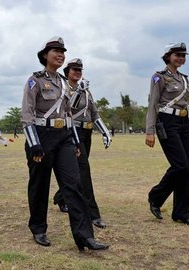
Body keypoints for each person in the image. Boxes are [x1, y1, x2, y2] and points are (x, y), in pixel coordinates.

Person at [21, 36, 108, 250]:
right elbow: (27, 114)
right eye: (55, 51)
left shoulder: (63, 82)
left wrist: (76, 142)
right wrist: (34, 144)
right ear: (44, 55)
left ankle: (84, 236)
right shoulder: (35, 80)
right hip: (41, 135)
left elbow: (69, 115)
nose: (60, 54)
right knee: (40, 185)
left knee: (74, 185)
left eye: (62, 51)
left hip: (64, 137)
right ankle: (39, 228)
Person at [145, 42, 189, 227]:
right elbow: (153, 104)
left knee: (187, 170)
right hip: (167, 123)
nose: (181, 58)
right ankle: (156, 196)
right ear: (168, 56)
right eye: (177, 55)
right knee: (180, 165)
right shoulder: (158, 77)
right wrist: (150, 131)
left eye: (183, 55)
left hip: (184, 123)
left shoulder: (184, 79)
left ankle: (181, 213)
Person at [52, 58, 112, 229]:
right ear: (67, 72)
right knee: (84, 172)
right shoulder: (64, 88)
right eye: (74, 69)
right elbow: (68, 108)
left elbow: (93, 112)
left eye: (79, 69)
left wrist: (105, 131)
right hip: (72, 132)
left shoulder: (86, 90)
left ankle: (60, 197)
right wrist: (78, 92)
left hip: (87, 132)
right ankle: (93, 214)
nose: (77, 72)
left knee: (78, 170)